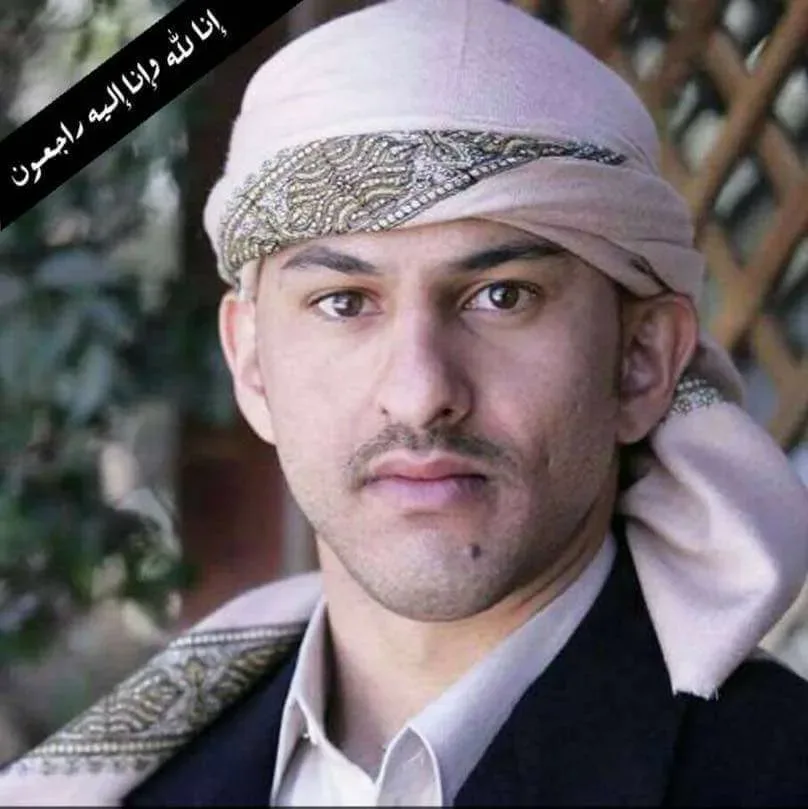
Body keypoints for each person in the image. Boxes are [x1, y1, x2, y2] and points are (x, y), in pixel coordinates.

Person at [3, 0, 808, 805]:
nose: (421, 394)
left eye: (502, 295)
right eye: (344, 302)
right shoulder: (144, 779)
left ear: (639, 361)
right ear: (251, 363)